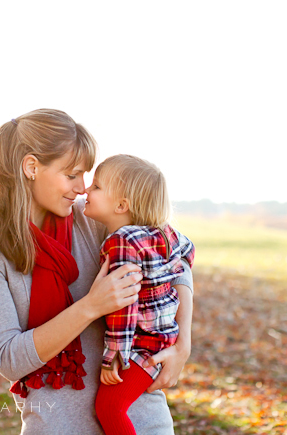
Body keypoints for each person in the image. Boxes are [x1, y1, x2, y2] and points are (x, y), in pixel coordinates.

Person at [0, 109, 194, 434]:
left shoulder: (93, 216)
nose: (83, 188)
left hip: (141, 421)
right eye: (72, 175)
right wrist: (90, 307)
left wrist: (183, 343)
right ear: (31, 167)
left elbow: (172, 255)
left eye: (85, 176)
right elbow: (8, 358)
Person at [83, 154, 195, 435]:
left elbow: (124, 303)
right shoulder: (162, 233)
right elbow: (188, 250)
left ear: (121, 205)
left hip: (143, 348)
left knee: (110, 407)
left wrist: (114, 357)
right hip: (163, 339)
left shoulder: (121, 242)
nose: (86, 190)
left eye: (96, 187)